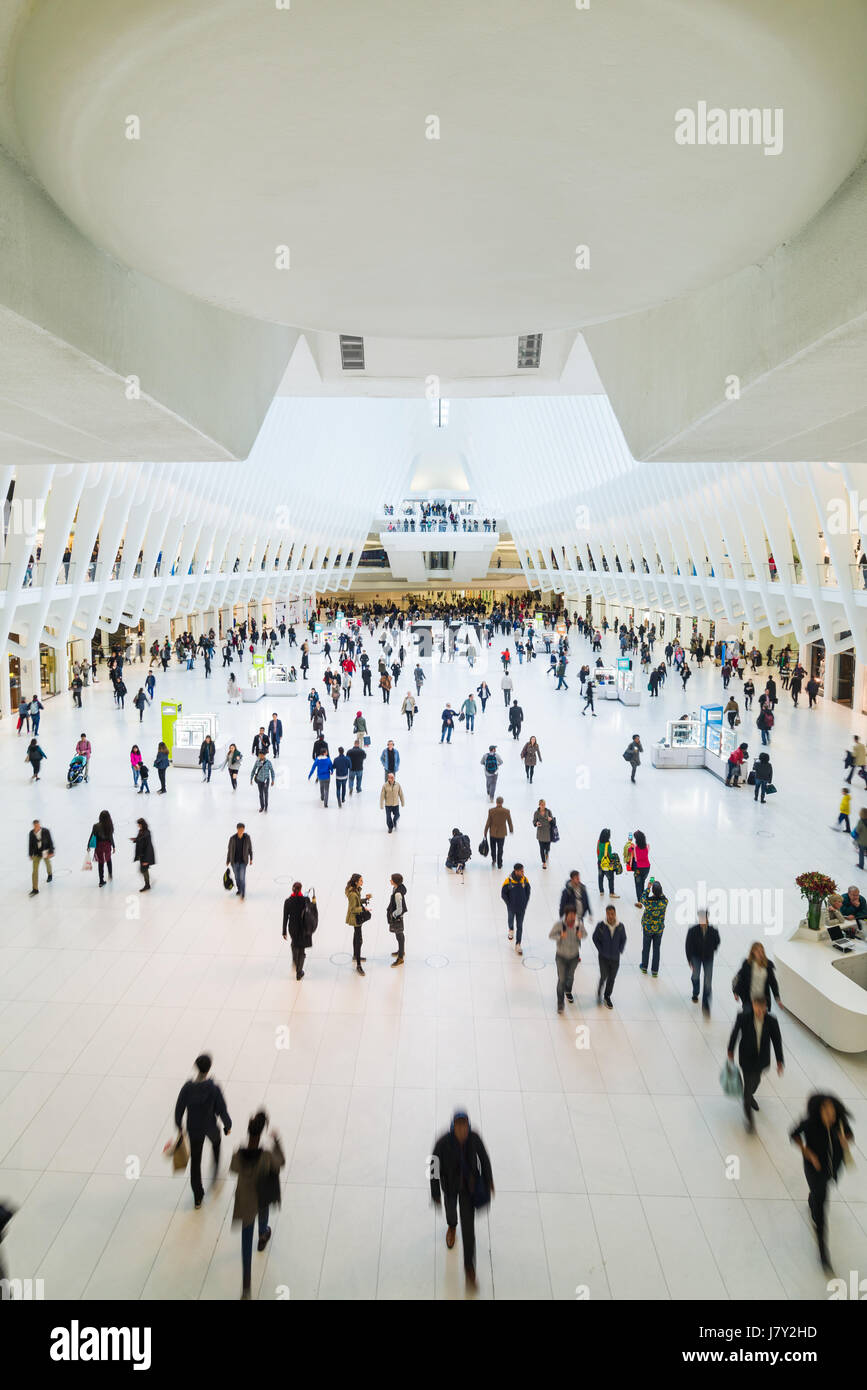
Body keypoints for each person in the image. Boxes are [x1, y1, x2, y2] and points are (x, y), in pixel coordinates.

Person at [790, 1094, 854, 1274]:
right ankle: (823, 1254)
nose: (830, 1114)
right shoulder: (810, 1124)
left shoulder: (839, 1122)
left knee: (819, 1192)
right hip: (814, 1169)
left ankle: (812, 1199)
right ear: (818, 1111)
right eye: (826, 1111)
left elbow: (849, 1134)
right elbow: (793, 1134)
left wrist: (845, 1140)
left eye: (832, 1110)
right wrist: (807, 1152)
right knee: (821, 1210)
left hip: (832, 1169)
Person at [430, 1111, 494, 1290]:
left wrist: (488, 1179)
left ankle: (469, 1268)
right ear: (453, 1127)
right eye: (458, 1126)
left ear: (468, 1126)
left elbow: (485, 1158)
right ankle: (451, 1226)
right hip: (450, 1187)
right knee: (451, 1213)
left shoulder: (474, 1139)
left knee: (468, 1229)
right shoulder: (443, 1142)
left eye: (464, 1126)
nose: (461, 1130)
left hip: (468, 1189)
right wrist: (435, 1192)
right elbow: (433, 1165)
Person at [230, 1111, 285, 1299]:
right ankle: (263, 1235)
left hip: (245, 1202)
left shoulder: (238, 1154)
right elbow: (281, 1163)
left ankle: (246, 1287)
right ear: (261, 1133)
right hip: (261, 1196)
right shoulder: (267, 1156)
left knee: (246, 1244)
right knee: (263, 1215)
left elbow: (233, 1169)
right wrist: (277, 1142)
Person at [175, 1054, 232, 1211]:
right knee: (216, 1144)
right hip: (210, 1127)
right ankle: (214, 1174)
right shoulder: (213, 1089)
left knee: (195, 1162)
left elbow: (179, 1108)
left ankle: (198, 1197)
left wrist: (179, 1125)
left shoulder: (187, 1088)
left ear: (196, 1066)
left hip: (194, 1129)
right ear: (209, 1068)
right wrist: (228, 1126)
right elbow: (222, 1109)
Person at [727, 997, 784, 1133]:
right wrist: (730, 1050)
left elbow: (777, 1041)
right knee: (747, 1088)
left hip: (761, 1059)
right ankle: (750, 1121)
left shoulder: (772, 1021)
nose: (759, 1011)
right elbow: (735, 1033)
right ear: (753, 1006)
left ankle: (749, 1095)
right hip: (746, 1058)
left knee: (756, 1081)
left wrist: (779, 1060)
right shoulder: (743, 1017)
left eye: (762, 1008)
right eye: (757, 1008)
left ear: (765, 1007)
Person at [684, 908, 720, 1014]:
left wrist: (712, 949)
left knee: (708, 982)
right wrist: (689, 959)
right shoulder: (693, 931)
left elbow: (717, 941)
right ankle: (696, 991)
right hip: (696, 957)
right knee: (695, 975)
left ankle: (706, 1005)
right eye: (700, 918)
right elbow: (688, 945)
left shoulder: (713, 931)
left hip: (708, 958)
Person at [549, 906, 583, 1012]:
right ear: (566, 915)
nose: (572, 917)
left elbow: (585, 934)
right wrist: (560, 936)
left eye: (574, 915)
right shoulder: (559, 924)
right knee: (562, 980)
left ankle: (568, 991)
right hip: (561, 957)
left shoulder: (578, 925)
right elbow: (551, 935)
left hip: (574, 957)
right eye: (570, 915)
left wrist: (581, 935)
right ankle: (560, 1003)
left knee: (571, 977)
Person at [592, 904, 626, 1008]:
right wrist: (601, 950)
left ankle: (607, 996)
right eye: (608, 914)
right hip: (603, 958)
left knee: (612, 978)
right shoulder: (601, 926)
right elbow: (595, 938)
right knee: (603, 976)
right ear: (606, 914)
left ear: (615, 914)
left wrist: (619, 950)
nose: (610, 916)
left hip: (615, 958)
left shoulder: (620, 926)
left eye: (612, 914)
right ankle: (599, 993)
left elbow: (623, 939)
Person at [732, 941, 781, 1011]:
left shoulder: (768, 965)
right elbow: (738, 978)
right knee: (748, 1017)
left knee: (761, 1020)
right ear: (753, 952)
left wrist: (777, 998)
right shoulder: (747, 964)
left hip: (762, 1000)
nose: (760, 953)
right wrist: (736, 992)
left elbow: (773, 983)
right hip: (748, 998)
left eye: (761, 951)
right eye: (757, 951)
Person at [283, 882, 315, 979]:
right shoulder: (305, 900)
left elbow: (285, 917)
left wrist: (284, 931)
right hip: (303, 927)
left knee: (294, 943)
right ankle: (299, 971)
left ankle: (295, 960)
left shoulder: (288, 901)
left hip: (292, 928)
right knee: (302, 949)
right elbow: (311, 911)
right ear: (300, 889)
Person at [639, 880, 668, 976]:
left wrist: (648, 888)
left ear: (653, 891)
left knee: (646, 948)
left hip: (648, 928)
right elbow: (663, 896)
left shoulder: (648, 902)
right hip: (659, 929)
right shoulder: (664, 902)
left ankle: (644, 967)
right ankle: (655, 971)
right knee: (656, 949)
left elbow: (642, 898)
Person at [500, 863, 531, 954]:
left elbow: (528, 892)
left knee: (520, 926)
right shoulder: (509, 881)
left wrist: (525, 902)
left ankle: (518, 944)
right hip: (511, 907)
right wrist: (509, 904)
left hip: (521, 908)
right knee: (510, 919)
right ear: (516, 871)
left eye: (523, 871)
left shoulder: (524, 880)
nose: (523, 872)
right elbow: (503, 894)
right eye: (521, 871)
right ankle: (511, 929)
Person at [345, 872, 371, 975]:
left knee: (356, 936)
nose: (362, 882)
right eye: (361, 880)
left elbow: (357, 901)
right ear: (356, 882)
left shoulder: (355, 890)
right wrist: (364, 908)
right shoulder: (352, 894)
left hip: (356, 917)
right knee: (359, 940)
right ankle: (359, 965)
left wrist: (365, 899)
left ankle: (356, 955)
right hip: (355, 918)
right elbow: (353, 909)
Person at [483, 796, 513, 870]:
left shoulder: (491, 811)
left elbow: (488, 822)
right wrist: (511, 830)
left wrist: (485, 831)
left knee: (493, 848)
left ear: (496, 802)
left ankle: (494, 860)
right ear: (502, 802)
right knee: (500, 849)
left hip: (493, 833)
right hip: (502, 833)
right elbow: (509, 821)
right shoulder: (506, 811)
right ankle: (500, 863)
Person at [28, 819, 54, 897]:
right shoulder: (31, 833)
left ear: (39, 825)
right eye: (35, 826)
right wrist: (30, 854)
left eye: (38, 825)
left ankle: (50, 874)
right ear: (33, 826)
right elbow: (30, 843)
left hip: (45, 851)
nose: (37, 827)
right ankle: (35, 889)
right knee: (35, 871)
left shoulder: (46, 831)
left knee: (47, 863)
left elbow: (50, 841)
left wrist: (51, 851)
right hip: (36, 853)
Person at [227, 823, 253, 899]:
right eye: (240, 829)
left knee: (242, 877)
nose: (241, 831)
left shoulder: (247, 838)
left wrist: (251, 858)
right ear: (237, 829)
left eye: (242, 829)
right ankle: (239, 890)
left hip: (243, 862)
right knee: (237, 878)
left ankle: (243, 893)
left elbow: (250, 849)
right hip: (234, 862)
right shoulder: (232, 838)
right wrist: (228, 860)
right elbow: (229, 850)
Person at [90, 809, 115, 886]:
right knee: (108, 859)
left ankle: (101, 881)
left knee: (100, 863)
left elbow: (92, 836)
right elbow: (111, 837)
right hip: (107, 845)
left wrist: (88, 845)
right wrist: (113, 846)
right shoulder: (109, 825)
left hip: (99, 846)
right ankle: (110, 874)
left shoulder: (96, 826)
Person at [387, 872, 407, 966]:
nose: (390, 880)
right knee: (398, 935)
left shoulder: (398, 894)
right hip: (397, 916)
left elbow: (400, 909)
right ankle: (401, 951)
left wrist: (393, 915)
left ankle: (400, 958)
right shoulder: (396, 888)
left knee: (399, 935)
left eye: (391, 879)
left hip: (397, 918)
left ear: (395, 881)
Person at [132, 817, 155, 891]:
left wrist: (146, 860)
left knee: (143, 870)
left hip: (145, 855)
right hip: (141, 855)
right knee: (143, 870)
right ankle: (147, 882)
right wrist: (135, 839)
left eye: (138, 824)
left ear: (142, 824)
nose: (138, 826)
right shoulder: (141, 831)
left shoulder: (147, 833)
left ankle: (147, 885)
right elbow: (140, 839)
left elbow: (148, 846)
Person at [596, 828, 619, 898]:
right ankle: (611, 893)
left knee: (600, 876)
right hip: (607, 864)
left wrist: (599, 859)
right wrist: (614, 857)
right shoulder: (607, 844)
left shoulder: (599, 842)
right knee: (610, 878)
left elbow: (598, 851)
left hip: (600, 862)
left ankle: (601, 891)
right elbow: (610, 855)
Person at [533, 799, 555, 868]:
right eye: (542, 805)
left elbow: (554, 822)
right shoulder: (536, 813)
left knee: (547, 848)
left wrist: (551, 819)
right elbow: (534, 821)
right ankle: (544, 862)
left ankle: (547, 853)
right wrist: (536, 823)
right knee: (541, 848)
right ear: (539, 805)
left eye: (544, 805)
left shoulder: (548, 811)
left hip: (548, 833)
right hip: (540, 833)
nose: (543, 806)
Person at [630, 830, 650, 904]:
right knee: (642, 882)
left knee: (638, 884)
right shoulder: (647, 846)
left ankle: (639, 901)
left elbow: (636, 858)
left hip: (638, 868)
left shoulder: (635, 848)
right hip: (647, 868)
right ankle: (643, 897)